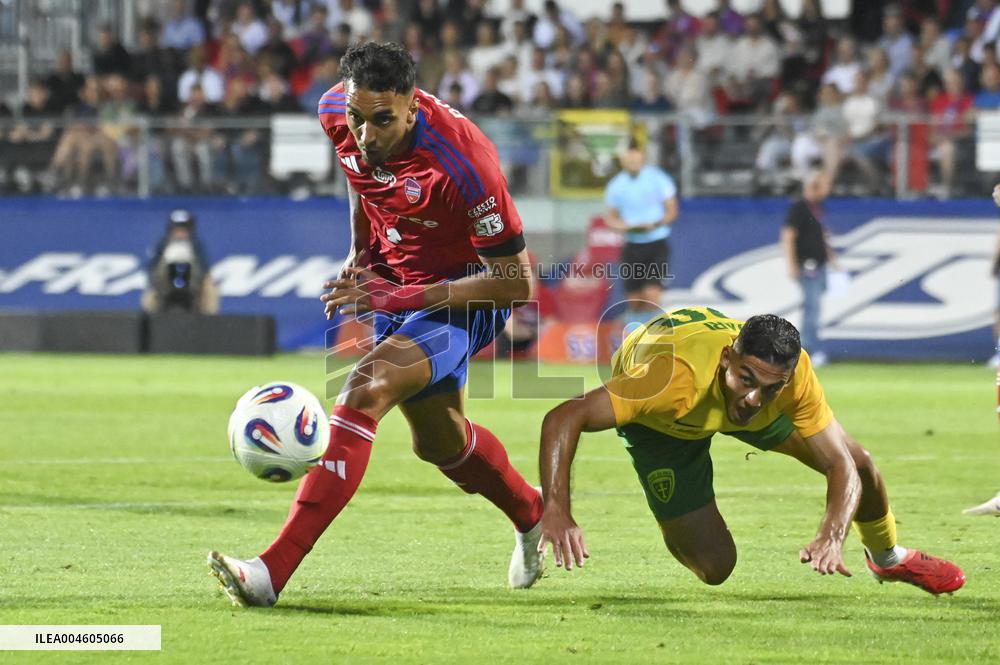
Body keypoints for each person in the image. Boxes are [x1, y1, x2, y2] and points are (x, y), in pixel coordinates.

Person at [208, 42, 545, 607]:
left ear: (413, 107)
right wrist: (359, 248)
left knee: (365, 387)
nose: (365, 134)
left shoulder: (466, 165)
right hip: (395, 281)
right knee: (440, 444)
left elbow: (516, 283)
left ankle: (270, 572)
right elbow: (356, 173)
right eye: (356, 118)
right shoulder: (335, 112)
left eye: (382, 120)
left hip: (465, 293)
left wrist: (402, 294)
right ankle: (531, 510)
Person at [535, 307, 966, 595]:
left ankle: (888, 559)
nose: (755, 399)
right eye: (747, 380)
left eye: (772, 388)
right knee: (715, 567)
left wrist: (831, 534)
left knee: (861, 463)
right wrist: (557, 507)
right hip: (665, 423)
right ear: (727, 359)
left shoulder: (790, 380)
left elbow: (842, 465)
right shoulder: (668, 380)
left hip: (711, 385)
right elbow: (563, 417)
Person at [604, 140, 679, 333]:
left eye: (636, 160)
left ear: (643, 159)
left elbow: (672, 211)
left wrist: (654, 224)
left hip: (656, 244)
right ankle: (636, 340)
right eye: (629, 160)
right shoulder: (616, 185)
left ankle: (655, 338)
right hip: (632, 246)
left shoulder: (658, 179)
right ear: (623, 161)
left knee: (652, 295)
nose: (633, 163)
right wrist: (624, 226)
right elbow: (611, 218)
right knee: (635, 301)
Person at [781, 171, 835, 367]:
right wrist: (792, 264)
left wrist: (832, 259)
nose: (828, 189)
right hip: (807, 266)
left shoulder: (817, 208)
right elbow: (788, 235)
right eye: (825, 185)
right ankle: (807, 350)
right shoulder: (800, 208)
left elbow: (821, 237)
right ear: (814, 186)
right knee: (812, 309)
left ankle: (809, 349)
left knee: (814, 309)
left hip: (819, 266)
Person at [141, 209, 219, 314]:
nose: (180, 232)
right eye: (176, 228)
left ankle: (209, 319)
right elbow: (153, 266)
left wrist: (201, 279)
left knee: (210, 288)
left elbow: (203, 266)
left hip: (194, 283)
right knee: (150, 293)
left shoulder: (196, 245)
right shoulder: (163, 244)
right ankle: (149, 317)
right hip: (164, 284)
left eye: (184, 229)